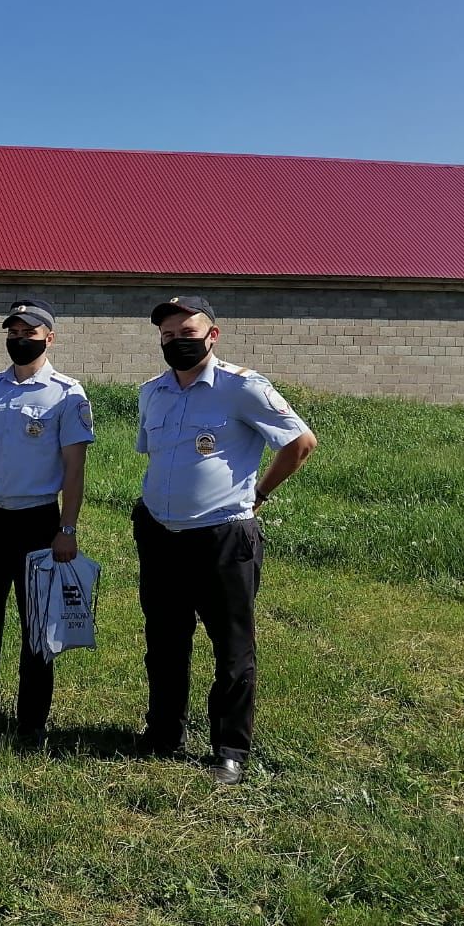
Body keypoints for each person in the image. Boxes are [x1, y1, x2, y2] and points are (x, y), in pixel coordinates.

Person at [134, 295, 317, 784]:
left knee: (232, 648)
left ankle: (229, 748)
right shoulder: (153, 392)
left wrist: (258, 494)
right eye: (169, 335)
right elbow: (155, 455)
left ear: (213, 335)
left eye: (188, 333)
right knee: (165, 642)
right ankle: (164, 733)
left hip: (222, 536)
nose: (177, 342)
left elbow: (300, 443)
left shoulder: (242, 388)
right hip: (160, 532)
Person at [0, 299, 94, 749]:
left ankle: (32, 719)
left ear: (49, 337)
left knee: (37, 623)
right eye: (13, 331)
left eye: (29, 332)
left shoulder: (67, 394)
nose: (19, 339)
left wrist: (66, 529)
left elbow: (74, 469)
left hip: (37, 521)